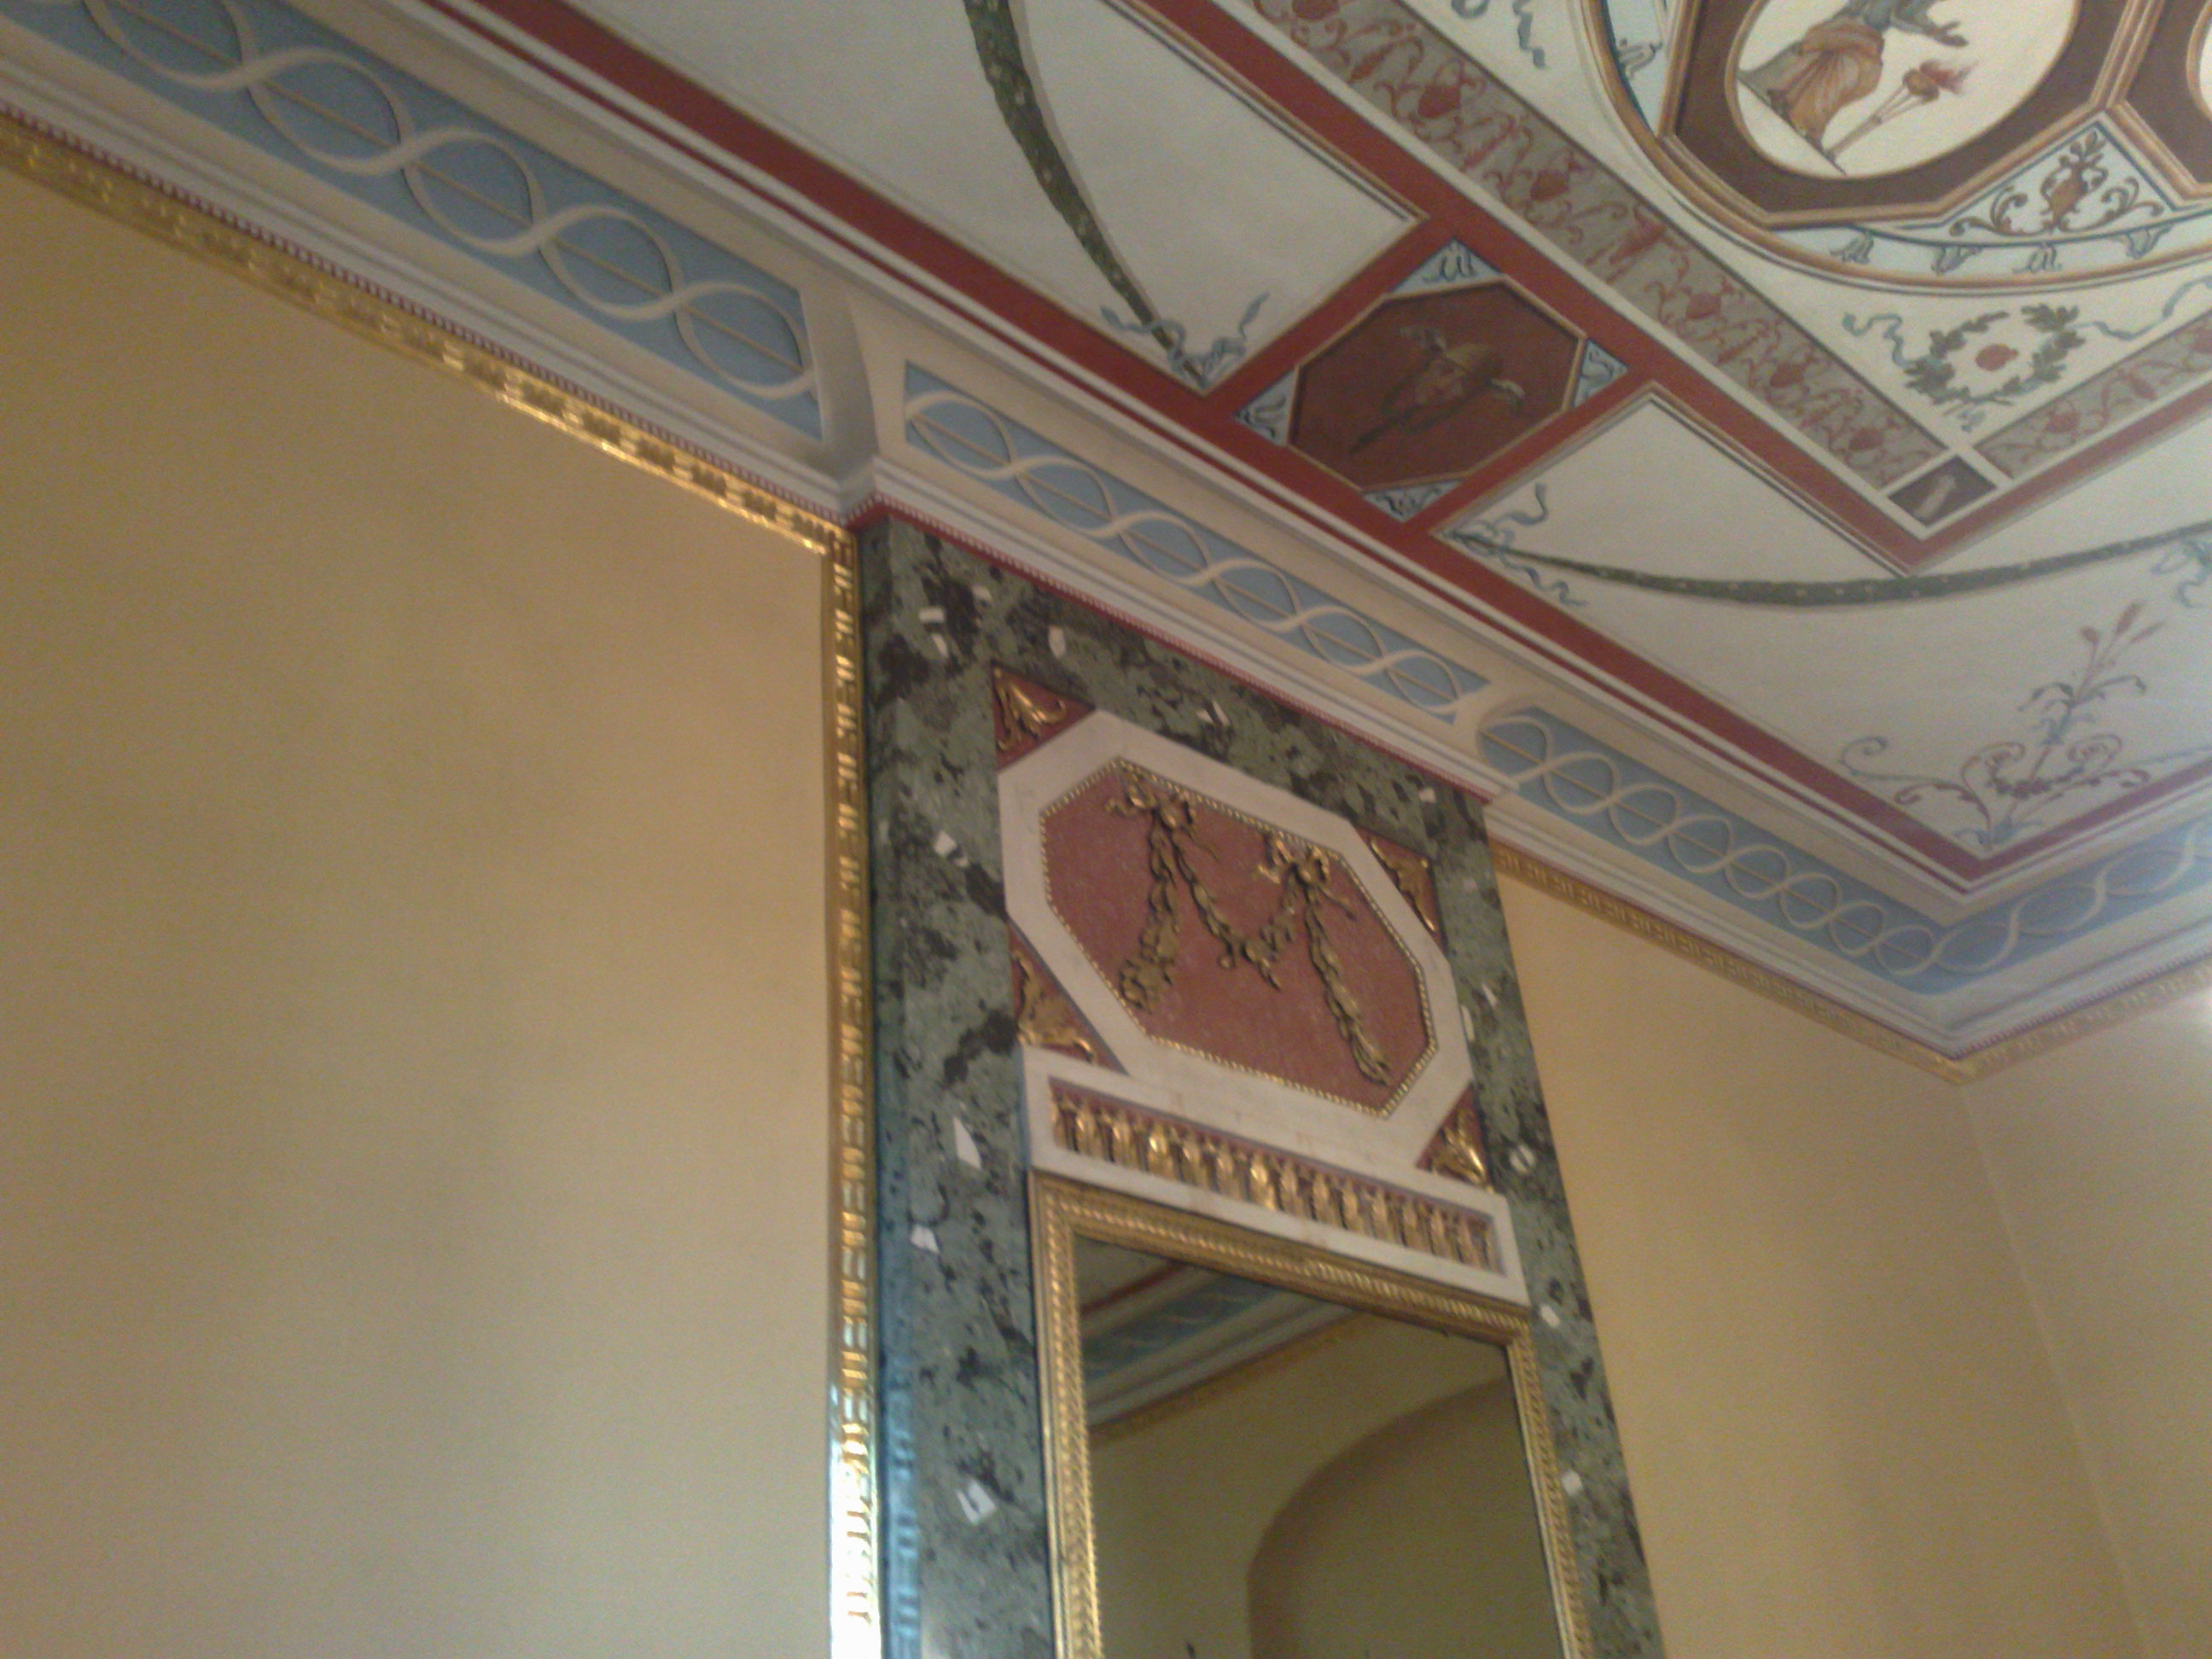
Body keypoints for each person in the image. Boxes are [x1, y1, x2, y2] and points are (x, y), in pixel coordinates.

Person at [1738, 0, 1967, 155]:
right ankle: (1809, 121)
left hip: (1868, 38)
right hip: (1849, 25)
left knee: (1866, 75)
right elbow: (1897, 16)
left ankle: (1796, 108)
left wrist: (1938, 33)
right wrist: (1931, 32)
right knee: (1848, 69)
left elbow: (1914, 15)